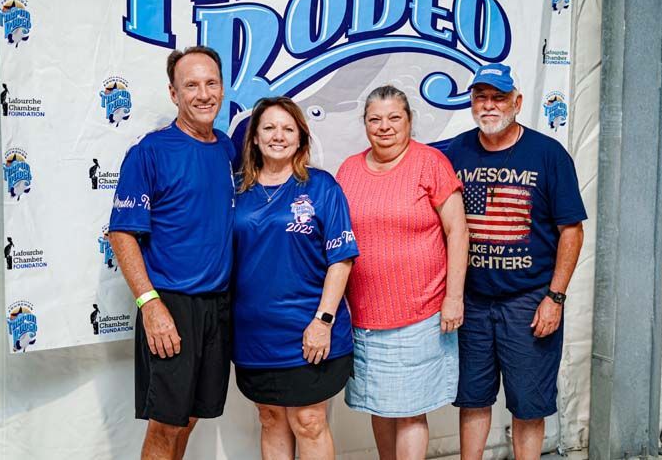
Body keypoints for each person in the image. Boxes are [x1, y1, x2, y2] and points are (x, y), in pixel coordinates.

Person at [444, 63, 586, 460]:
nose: (489, 106)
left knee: (529, 404)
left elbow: (571, 232)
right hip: (473, 301)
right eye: (481, 98)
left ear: (517, 102)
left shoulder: (548, 154)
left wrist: (554, 298)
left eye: (498, 97)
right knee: (472, 398)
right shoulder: (456, 151)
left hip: (529, 299)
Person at [108, 46, 235, 460]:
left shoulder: (227, 149)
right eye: (191, 85)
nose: (203, 94)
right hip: (171, 305)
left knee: (192, 415)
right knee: (166, 425)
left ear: (222, 86)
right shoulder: (151, 152)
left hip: (217, 306)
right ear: (173, 93)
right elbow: (122, 235)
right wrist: (150, 305)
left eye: (211, 83)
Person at [336, 85, 469, 460]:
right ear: (364, 124)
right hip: (364, 314)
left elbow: (457, 231)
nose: (384, 127)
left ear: (410, 120)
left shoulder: (430, 163)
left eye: (394, 117)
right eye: (375, 119)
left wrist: (453, 298)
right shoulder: (349, 169)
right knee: (380, 405)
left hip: (421, 311)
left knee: (410, 409)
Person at [231, 97, 358, 460]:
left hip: (308, 329)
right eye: (269, 128)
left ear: (301, 139)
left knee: (309, 421)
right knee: (270, 418)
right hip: (254, 334)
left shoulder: (321, 187)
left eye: (288, 129)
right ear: (254, 137)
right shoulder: (236, 191)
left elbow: (341, 260)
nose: (278, 136)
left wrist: (323, 321)